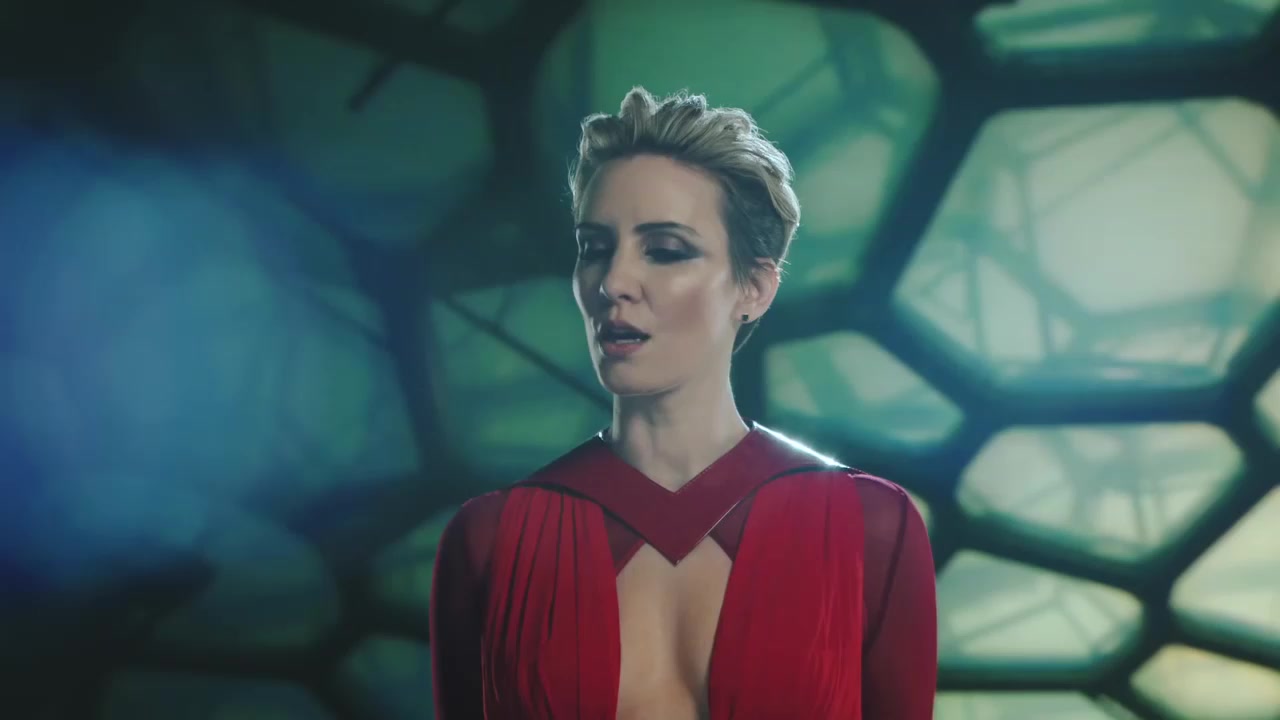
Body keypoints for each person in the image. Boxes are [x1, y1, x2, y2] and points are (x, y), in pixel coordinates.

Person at [429, 86, 937, 719]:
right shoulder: (490, 540)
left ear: (755, 287)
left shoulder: (872, 527)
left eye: (666, 251)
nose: (614, 282)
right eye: (595, 248)